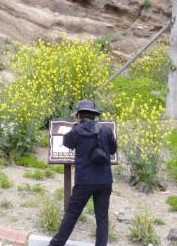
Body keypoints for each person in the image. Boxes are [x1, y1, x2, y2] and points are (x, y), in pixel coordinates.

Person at [49, 99, 117, 246]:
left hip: (84, 181)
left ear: (78, 115)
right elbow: (113, 150)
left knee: (71, 215)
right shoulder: (105, 129)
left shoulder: (76, 131)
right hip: (105, 181)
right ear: (94, 115)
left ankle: (55, 244)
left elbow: (67, 143)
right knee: (102, 218)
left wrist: (76, 126)